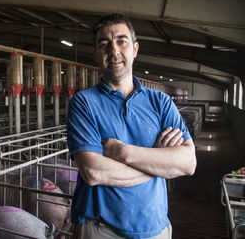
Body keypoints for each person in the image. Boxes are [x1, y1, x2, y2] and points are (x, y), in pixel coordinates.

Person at [66, 14, 197, 239]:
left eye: (121, 41)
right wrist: (157, 166)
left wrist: (123, 152)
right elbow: (93, 171)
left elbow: (187, 163)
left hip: (155, 227)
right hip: (100, 229)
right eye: (104, 44)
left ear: (135, 49)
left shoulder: (160, 102)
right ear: (96, 54)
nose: (113, 50)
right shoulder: (83, 102)